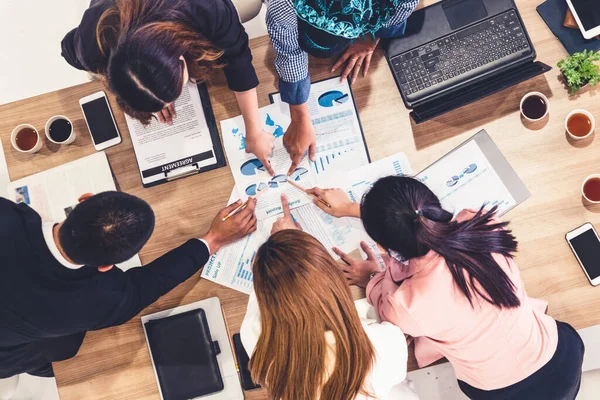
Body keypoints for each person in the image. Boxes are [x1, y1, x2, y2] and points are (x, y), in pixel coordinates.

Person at [308, 177, 585, 400]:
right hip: (562, 356)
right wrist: (360, 210)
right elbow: (417, 222)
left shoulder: (406, 304)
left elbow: (384, 302)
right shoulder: (485, 226)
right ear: (435, 206)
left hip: (501, 392)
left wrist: (373, 275)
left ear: (383, 248)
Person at [0, 191, 257, 379]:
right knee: (65, 351)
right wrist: (213, 239)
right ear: (105, 267)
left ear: (84, 199)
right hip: (8, 350)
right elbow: (149, 285)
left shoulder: (7, 213)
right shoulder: (99, 299)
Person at [61, 0, 277, 174]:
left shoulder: (205, 8)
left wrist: (255, 131)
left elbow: (237, 55)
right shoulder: (92, 42)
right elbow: (66, 49)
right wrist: (147, 91)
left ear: (181, 56)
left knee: (249, 6)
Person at [239, 195, 418, 400]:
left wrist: (285, 250)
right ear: (333, 279)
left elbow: (265, 294)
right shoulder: (383, 343)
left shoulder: (259, 343)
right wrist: (373, 277)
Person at [266, 0, 419, 174]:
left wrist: (371, 37)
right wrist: (299, 114)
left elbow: (404, 6)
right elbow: (289, 51)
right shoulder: (282, 5)